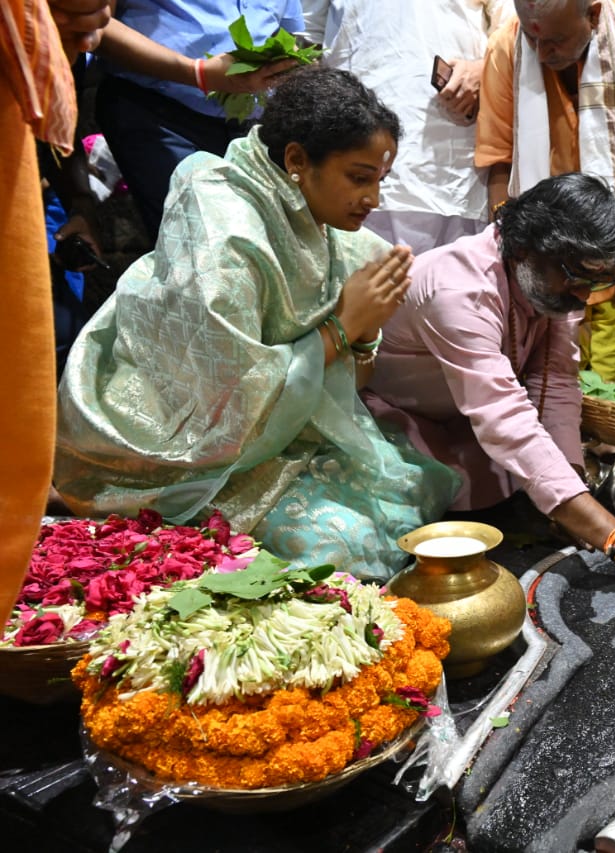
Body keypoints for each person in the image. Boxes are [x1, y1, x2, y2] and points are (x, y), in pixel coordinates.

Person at [55, 66, 460, 581]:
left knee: (414, 494)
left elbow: (346, 384)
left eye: (381, 180)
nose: (374, 200)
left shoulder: (330, 226)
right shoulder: (225, 231)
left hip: (272, 431)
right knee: (347, 549)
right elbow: (225, 402)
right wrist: (344, 325)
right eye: (360, 178)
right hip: (176, 444)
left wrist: (360, 336)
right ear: (296, 160)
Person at [362, 173, 615, 587]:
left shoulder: (555, 282)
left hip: (464, 423)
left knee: (523, 495)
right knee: (413, 541)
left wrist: (572, 484)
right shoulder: (459, 290)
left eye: (596, 283)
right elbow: (505, 420)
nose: (583, 296)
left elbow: (558, 383)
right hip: (396, 423)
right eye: (578, 278)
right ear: (527, 246)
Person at [474, 0, 615, 382]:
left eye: (555, 40)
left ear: (594, 14)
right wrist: (513, 258)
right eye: (533, 38)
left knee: (601, 393)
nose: (541, 52)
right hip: (542, 263)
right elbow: (498, 156)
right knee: (543, 388)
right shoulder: (507, 45)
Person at [2, 0, 111, 625]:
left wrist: (82, 207)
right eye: (74, 13)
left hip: (40, 197)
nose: (92, 29)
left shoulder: (38, 53)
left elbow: (51, 107)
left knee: (51, 346)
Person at [303, 0, 513, 254]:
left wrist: (482, 71)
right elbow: (306, 45)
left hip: (450, 170)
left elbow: (515, 30)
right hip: (346, 157)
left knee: (448, 289)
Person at [94, 1, 305, 244]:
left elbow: (286, 30)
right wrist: (199, 72)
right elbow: (96, 24)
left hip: (252, 120)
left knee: (261, 244)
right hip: (163, 111)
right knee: (198, 247)